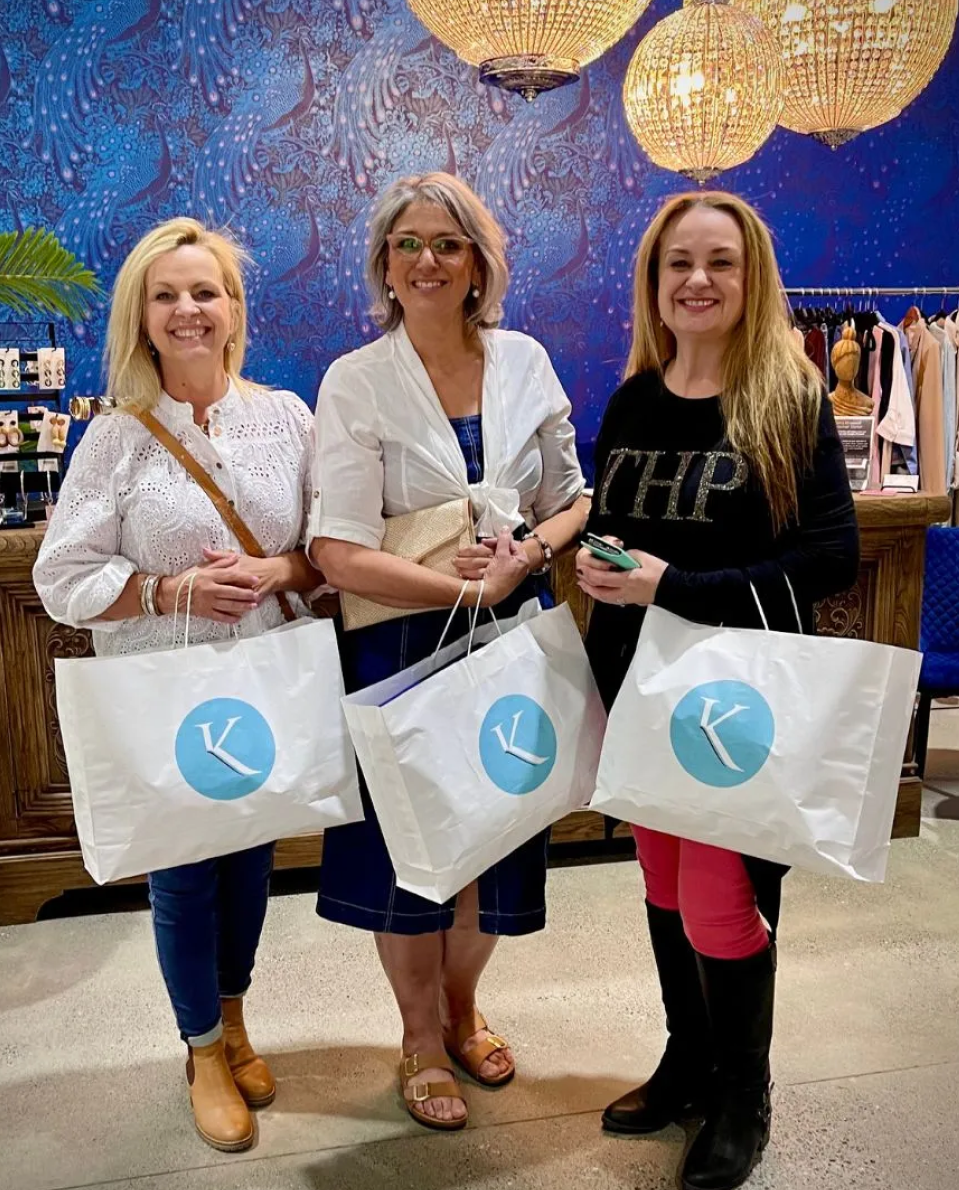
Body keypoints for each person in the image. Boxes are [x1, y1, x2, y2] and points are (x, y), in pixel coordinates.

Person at [577, 192, 859, 1190]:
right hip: (642, 693)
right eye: (677, 264)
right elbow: (616, 528)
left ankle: (746, 1092)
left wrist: (674, 585)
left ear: (750, 279)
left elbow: (833, 555)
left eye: (720, 263)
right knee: (663, 885)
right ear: (655, 283)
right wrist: (600, 572)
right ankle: (687, 1061)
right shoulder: (632, 400)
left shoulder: (788, 395)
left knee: (721, 900)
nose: (698, 280)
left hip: (741, 703)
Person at [34, 217, 322, 1153]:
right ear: (143, 319)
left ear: (235, 309)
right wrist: (168, 587)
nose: (188, 309)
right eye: (167, 296)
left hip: (263, 685)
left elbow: (328, 548)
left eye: (206, 292)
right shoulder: (116, 439)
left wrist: (279, 574)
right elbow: (59, 579)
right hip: (163, 692)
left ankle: (233, 1016)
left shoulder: (288, 418)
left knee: (249, 860)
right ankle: (201, 1048)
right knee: (184, 872)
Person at [308, 172, 588, 1131]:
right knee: (413, 852)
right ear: (385, 265)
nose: (426, 260)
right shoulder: (355, 379)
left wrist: (528, 558)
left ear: (479, 264)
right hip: (403, 640)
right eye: (407, 244)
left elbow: (572, 499)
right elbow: (336, 551)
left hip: (514, 633)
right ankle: (419, 1038)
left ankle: (464, 1009)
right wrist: (465, 583)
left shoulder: (526, 361)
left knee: (497, 838)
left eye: (448, 243)